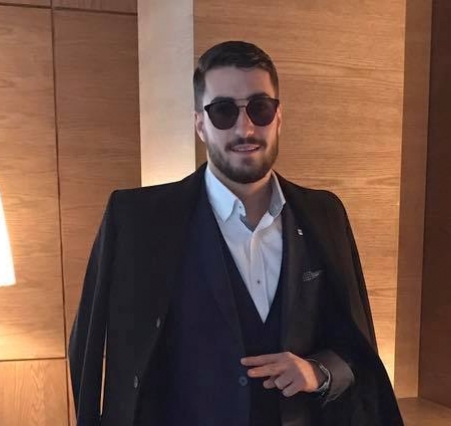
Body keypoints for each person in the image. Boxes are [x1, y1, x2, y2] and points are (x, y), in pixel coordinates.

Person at [69, 40, 403, 426]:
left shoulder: (324, 214)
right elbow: (89, 349)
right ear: (200, 124)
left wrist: (319, 372)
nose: (245, 128)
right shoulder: (137, 220)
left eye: (260, 108)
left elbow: (356, 347)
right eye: (223, 111)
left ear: (278, 117)